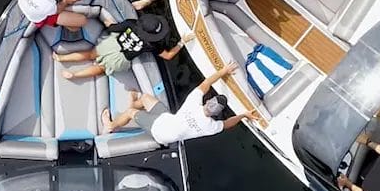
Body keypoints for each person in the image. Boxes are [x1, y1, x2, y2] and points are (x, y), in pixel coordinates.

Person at [102, 64, 264, 144]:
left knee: (130, 113)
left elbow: (206, 83)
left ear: (207, 101)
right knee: (145, 98)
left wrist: (224, 71)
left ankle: (111, 125)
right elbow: (228, 124)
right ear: (216, 115)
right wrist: (243, 115)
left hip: (159, 129)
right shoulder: (210, 127)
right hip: (167, 120)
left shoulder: (192, 104)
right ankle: (135, 103)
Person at [54, 12, 185, 81]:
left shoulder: (131, 24)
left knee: (90, 54)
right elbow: (168, 56)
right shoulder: (152, 44)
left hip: (112, 44)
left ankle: (61, 58)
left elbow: (112, 28)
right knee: (101, 68)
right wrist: (182, 42)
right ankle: (75, 75)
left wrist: (108, 22)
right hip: (122, 58)